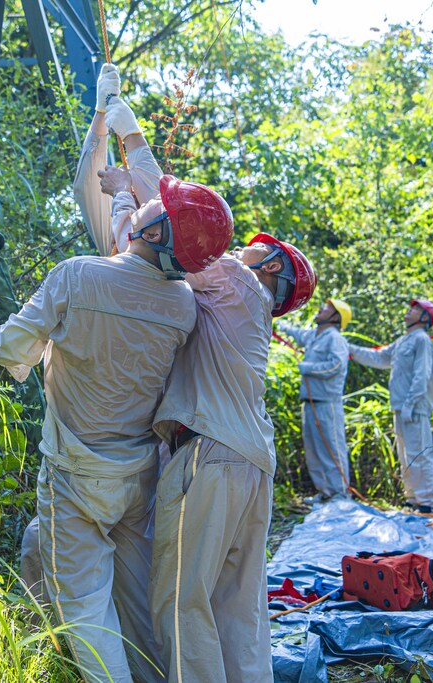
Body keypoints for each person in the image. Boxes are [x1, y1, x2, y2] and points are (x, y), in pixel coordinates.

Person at [0, 64, 233, 683]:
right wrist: (116, 126)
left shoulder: (79, 275)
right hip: (138, 473)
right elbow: (151, 229)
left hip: (75, 471)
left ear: (150, 226)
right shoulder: (184, 304)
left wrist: (29, 358)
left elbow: (8, 347)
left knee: (86, 613)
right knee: (136, 605)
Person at [93, 93, 318, 681]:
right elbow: (160, 241)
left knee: (179, 601)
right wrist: (127, 187)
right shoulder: (243, 306)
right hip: (250, 463)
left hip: (210, 457)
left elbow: (177, 227)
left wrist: (130, 145)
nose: (244, 246)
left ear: (272, 268)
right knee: (237, 608)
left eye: (258, 247)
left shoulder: (236, 282)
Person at [349, 299, 433, 513]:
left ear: (425, 317)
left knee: (419, 454)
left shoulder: (421, 340)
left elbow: (422, 374)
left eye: (415, 309)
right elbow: (379, 358)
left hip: (415, 407)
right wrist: (349, 348)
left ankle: (427, 502)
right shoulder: (403, 341)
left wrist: (411, 403)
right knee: (406, 455)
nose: (409, 311)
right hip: (400, 407)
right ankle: (413, 499)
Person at [276, 298, 353, 501]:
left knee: (332, 449)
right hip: (309, 403)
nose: (321, 309)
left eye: (327, 308)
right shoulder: (315, 335)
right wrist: (279, 323)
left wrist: (307, 368)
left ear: (336, 317)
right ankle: (325, 492)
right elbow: (298, 334)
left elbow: (336, 366)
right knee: (313, 450)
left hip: (327, 404)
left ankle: (340, 494)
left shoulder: (335, 338)